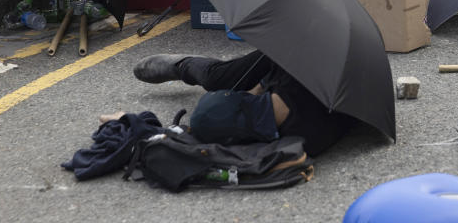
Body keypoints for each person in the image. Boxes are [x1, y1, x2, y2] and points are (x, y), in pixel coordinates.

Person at [133, 52, 356, 157]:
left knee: (219, 84)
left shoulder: (307, 141)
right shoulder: (292, 67)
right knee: (220, 79)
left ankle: (185, 65)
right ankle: (188, 66)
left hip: (324, 72)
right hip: (306, 53)